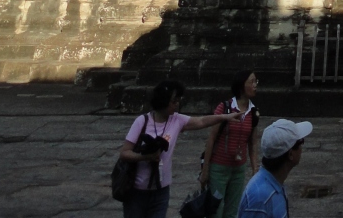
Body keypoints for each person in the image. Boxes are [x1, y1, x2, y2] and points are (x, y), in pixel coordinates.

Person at [119, 79, 240, 218]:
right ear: (163, 101)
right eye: (174, 101)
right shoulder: (142, 121)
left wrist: (225, 117)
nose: (177, 105)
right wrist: (145, 157)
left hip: (161, 189)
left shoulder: (176, 120)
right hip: (137, 189)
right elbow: (124, 153)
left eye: (178, 101)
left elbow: (201, 121)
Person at [200, 70, 261, 218]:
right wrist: (205, 170)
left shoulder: (253, 112)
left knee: (232, 211)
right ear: (241, 85)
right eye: (252, 82)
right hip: (219, 167)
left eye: (256, 82)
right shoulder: (225, 108)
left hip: (238, 170)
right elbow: (212, 138)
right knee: (216, 210)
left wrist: (255, 169)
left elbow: (252, 143)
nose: (255, 85)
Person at [237, 118, 312, 218]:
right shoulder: (260, 199)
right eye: (300, 141)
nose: (302, 148)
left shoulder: (275, 183)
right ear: (290, 154)